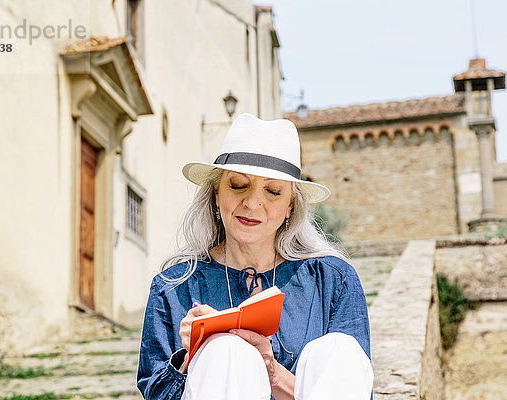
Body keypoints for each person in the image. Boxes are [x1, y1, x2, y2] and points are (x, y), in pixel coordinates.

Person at [137, 113, 373, 400]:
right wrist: (192, 360)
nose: (252, 203)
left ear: (290, 206)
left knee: (340, 348)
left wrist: (272, 372)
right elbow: (155, 392)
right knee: (225, 349)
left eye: (273, 191)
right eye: (238, 185)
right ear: (215, 192)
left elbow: (354, 386)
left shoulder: (334, 280)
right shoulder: (174, 286)